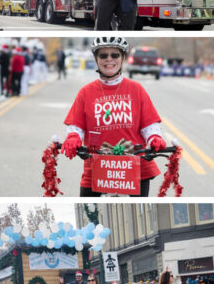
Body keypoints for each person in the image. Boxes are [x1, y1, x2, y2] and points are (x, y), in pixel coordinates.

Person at [62, 37, 167, 197]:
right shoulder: (86, 92)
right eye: (103, 56)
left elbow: (149, 124)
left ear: (123, 58)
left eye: (115, 55)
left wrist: (154, 138)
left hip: (134, 165)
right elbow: (76, 125)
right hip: (98, 166)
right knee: (89, 208)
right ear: (97, 60)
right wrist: (73, 137)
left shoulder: (136, 89)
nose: (109, 59)